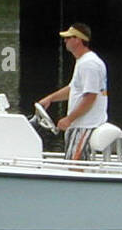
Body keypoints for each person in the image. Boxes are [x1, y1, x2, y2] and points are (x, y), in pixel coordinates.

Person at [36, 22, 108, 161]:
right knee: (72, 161)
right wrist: (50, 98)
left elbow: (90, 97)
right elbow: (73, 88)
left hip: (86, 125)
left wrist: (69, 119)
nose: (65, 41)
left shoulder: (89, 64)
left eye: (68, 38)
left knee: (76, 164)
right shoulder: (82, 61)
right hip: (79, 124)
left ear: (78, 39)